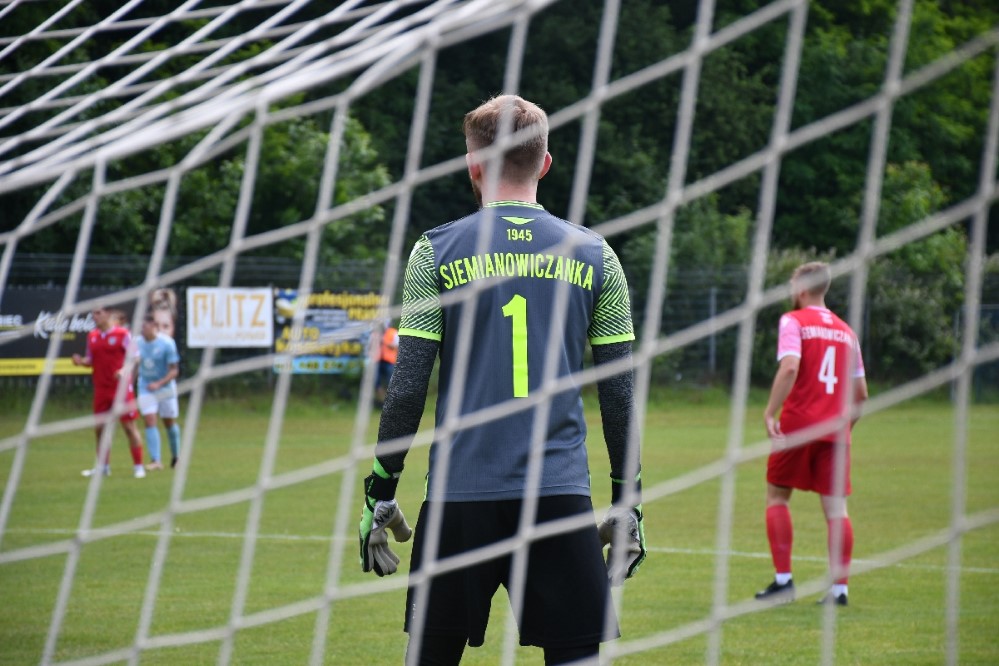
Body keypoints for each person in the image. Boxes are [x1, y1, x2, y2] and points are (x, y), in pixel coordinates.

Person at [356, 95, 646, 665]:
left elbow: (409, 385)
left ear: (472, 164)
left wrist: (381, 489)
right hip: (559, 491)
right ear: (544, 163)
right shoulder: (596, 255)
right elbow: (619, 395)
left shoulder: (434, 252)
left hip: (460, 494)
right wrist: (627, 500)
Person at [755, 261, 869, 607]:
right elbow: (861, 394)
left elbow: (790, 366)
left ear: (802, 289)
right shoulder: (847, 332)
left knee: (777, 497)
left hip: (798, 425)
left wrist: (770, 411)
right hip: (835, 430)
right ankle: (839, 591)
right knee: (837, 510)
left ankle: (784, 581)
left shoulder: (794, 321)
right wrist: (845, 429)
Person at [72, 307, 147, 479]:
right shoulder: (92, 336)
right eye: (92, 313)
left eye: (98, 313)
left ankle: (138, 467)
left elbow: (135, 357)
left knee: (129, 427)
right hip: (101, 389)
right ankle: (103, 467)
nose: (94, 316)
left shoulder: (122, 334)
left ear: (107, 314)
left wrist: (123, 370)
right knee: (100, 429)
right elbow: (90, 360)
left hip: (121, 389)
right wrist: (80, 362)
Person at [136, 312, 183, 470]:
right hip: (146, 387)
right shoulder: (137, 343)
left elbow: (174, 371)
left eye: (145, 326)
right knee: (149, 419)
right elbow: (134, 364)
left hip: (165, 388)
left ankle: (176, 457)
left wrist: (159, 383)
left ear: (154, 327)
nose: (142, 329)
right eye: (141, 326)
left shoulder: (167, 343)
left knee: (169, 422)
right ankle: (155, 460)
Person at [374, 320, 398, 407]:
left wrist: (384, 341)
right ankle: (383, 401)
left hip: (389, 362)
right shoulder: (376, 333)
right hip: (378, 361)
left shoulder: (393, 332)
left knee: (390, 383)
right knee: (376, 383)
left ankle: (390, 403)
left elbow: (396, 345)